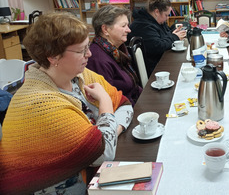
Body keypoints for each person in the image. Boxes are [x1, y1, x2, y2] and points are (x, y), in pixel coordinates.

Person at [0, 12, 133, 195]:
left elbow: (125, 105)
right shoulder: (39, 103)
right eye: (81, 50)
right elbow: (104, 152)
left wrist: (109, 133)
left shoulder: (81, 75)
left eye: (88, 46)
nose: (90, 54)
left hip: (92, 177)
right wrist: (105, 105)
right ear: (52, 57)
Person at [87, 5, 142, 106]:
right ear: (105, 29)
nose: (129, 30)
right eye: (123, 26)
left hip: (134, 102)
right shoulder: (97, 59)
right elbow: (110, 101)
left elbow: (133, 87)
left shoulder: (117, 50)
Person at [128, 0, 187, 76]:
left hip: (158, 62)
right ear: (156, 12)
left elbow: (164, 36)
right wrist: (175, 37)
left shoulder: (156, 21)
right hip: (154, 70)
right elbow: (158, 46)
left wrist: (173, 32)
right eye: (166, 15)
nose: (167, 18)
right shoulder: (143, 25)